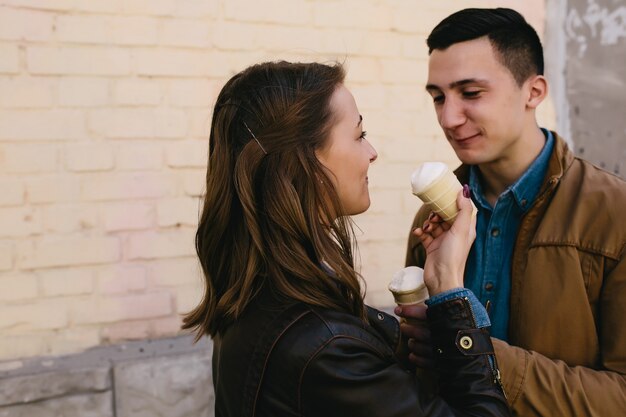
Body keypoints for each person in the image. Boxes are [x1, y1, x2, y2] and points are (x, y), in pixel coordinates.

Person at [182, 61, 509, 416]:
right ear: (305, 160)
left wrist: (404, 348)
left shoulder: (257, 294)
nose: (372, 152)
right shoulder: (325, 347)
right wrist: (449, 292)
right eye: (359, 135)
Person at [401, 8, 626, 416]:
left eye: (470, 93)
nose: (449, 118)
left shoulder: (616, 214)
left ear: (534, 91)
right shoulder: (432, 220)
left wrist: (473, 351)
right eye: (438, 97)